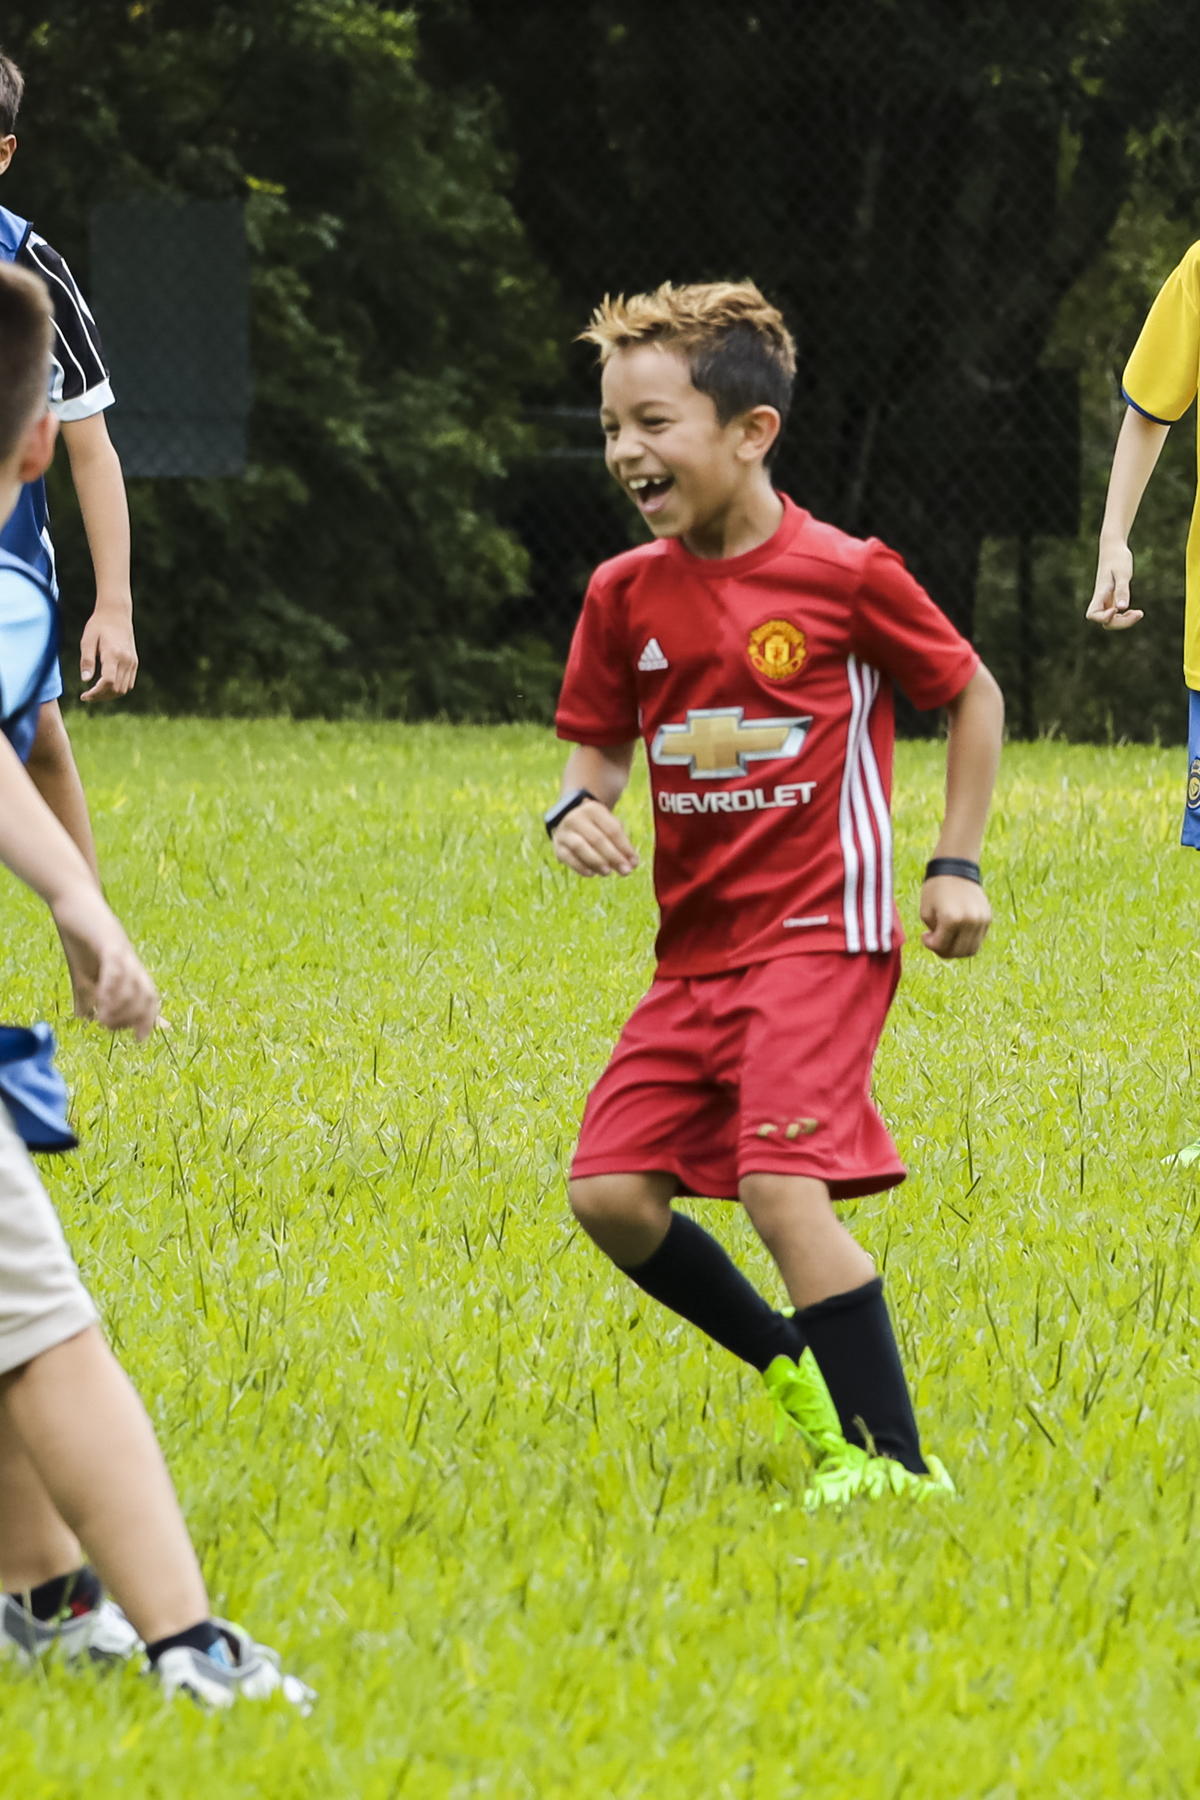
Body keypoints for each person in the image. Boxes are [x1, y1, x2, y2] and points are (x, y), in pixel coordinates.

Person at [547, 281, 1004, 1507]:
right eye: (611, 427)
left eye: (654, 423)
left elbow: (971, 693)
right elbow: (596, 748)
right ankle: (794, 1364)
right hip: (693, 958)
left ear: (752, 432)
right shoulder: (622, 594)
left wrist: (954, 864)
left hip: (824, 938)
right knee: (609, 1194)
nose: (626, 451)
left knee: (776, 1184)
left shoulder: (845, 576)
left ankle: (893, 1465)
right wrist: (575, 806)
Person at [0, 263, 313, 1709]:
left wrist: (78, 901)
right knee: (48, 1331)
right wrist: (79, 903)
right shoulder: (10, 594)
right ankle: (192, 1646)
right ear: (34, 448)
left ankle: (47, 1601)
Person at [0, 47, 139, 883]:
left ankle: (92, 943)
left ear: (3, 153)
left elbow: (91, 448)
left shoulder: (32, 267)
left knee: (41, 738)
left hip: (8, 567)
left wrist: (113, 605)